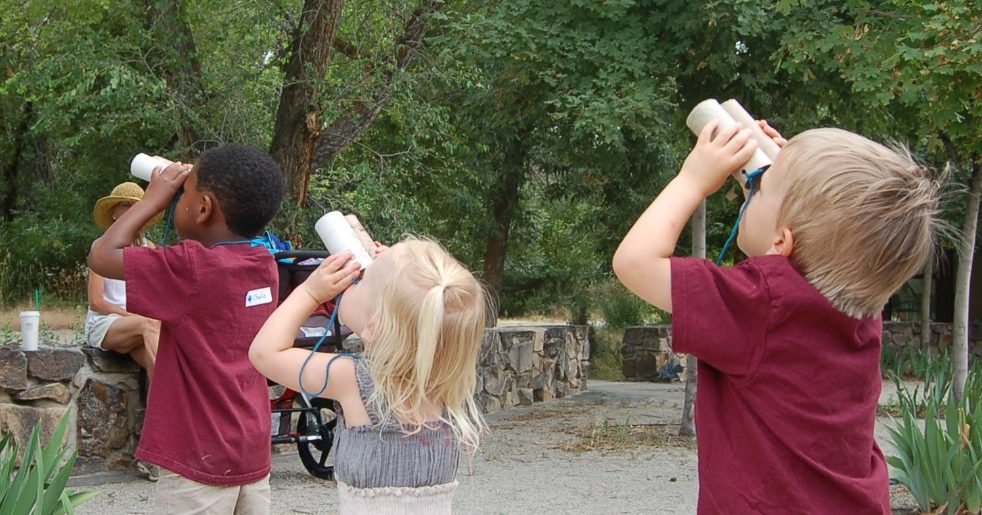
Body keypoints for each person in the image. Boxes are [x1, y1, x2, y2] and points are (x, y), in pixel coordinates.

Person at [612, 121, 940, 514]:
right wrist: (791, 178)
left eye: (760, 185)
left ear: (782, 241)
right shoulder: (859, 312)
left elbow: (634, 262)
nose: (753, 184)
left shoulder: (761, 306)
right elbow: (790, 256)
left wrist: (693, 179)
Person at [88, 144, 285, 514]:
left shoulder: (190, 269)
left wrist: (152, 199)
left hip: (198, 456)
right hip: (250, 449)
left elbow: (101, 255)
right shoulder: (265, 265)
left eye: (184, 195)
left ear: (204, 208)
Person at [249, 237, 488, 514]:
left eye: (362, 279)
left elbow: (264, 354)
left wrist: (310, 292)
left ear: (374, 327)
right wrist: (396, 271)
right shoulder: (446, 386)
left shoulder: (352, 380)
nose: (356, 278)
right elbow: (417, 310)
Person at [85, 182, 161, 379]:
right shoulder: (102, 248)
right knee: (150, 325)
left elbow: (154, 296)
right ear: (114, 213)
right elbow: (96, 302)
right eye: (125, 205)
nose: (131, 211)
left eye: (137, 207)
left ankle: (159, 407)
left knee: (163, 367)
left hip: (136, 325)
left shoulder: (149, 248)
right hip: (106, 322)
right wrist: (132, 317)